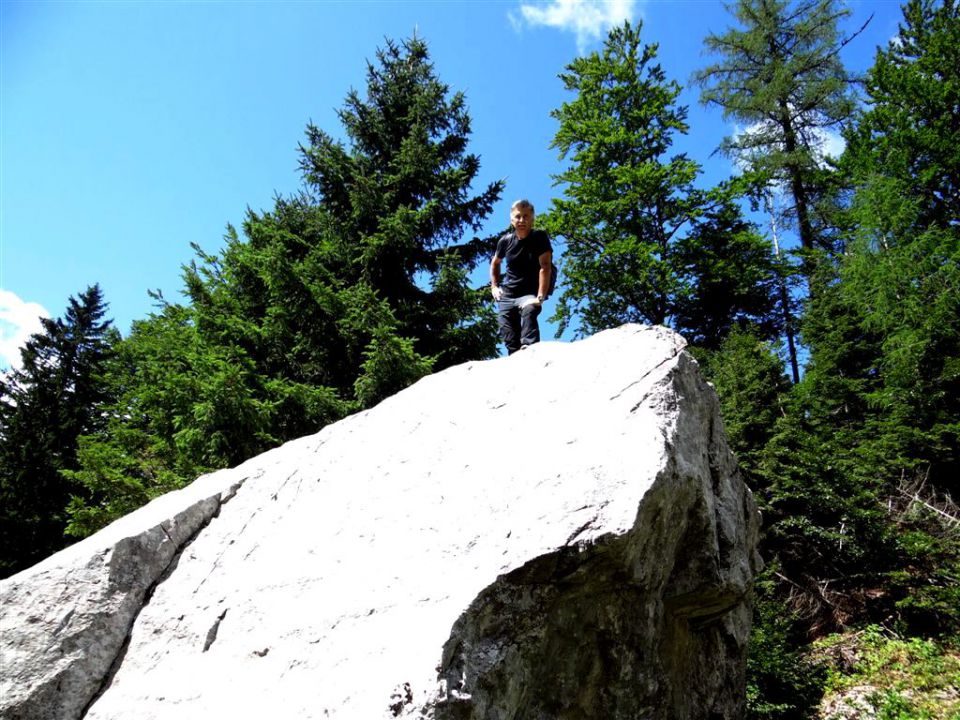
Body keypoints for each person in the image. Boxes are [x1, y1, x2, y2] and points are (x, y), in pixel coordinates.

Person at [490, 199, 553, 354]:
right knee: (510, 337)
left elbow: (545, 267)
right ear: (512, 220)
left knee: (529, 313)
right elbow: (495, 263)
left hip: (529, 293)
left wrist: (540, 297)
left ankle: (531, 353)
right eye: (518, 216)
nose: (522, 220)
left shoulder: (539, 237)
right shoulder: (505, 241)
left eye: (526, 216)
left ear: (532, 219)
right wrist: (494, 286)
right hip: (508, 294)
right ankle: (516, 361)